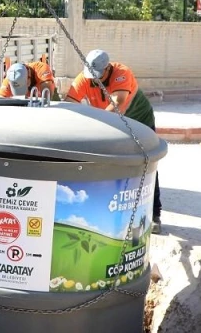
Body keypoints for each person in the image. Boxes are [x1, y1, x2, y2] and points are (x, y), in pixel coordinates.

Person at [64, 49, 162, 227]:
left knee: (146, 163)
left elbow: (119, 101)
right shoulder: (84, 79)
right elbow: (70, 103)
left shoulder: (121, 73)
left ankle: (154, 214)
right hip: (110, 122)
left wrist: (96, 124)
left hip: (138, 119)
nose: (94, 79)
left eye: (98, 75)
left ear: (108, 68)